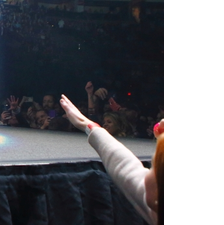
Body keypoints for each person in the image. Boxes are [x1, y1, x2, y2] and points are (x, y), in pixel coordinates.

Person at [60, 94, 162, 225]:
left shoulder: (157, 206)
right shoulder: (159, 210)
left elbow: (129, 172)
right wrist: (88, 125)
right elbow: (127, 169)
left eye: (155, 167)